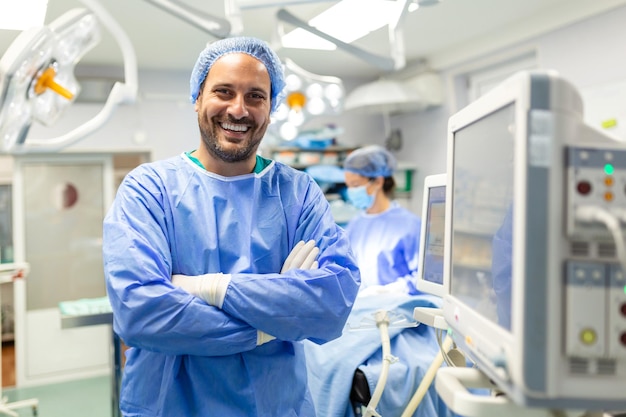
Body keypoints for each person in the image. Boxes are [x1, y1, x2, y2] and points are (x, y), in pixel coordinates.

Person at [102, 36, 360, 417]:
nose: (238, 109)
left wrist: (206, 287)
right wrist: (273, 321)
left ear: (270, 109)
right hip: (169, 404)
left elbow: (332, 303)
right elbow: (140, 311)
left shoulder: (298, 193)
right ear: (197, 99)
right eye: (223, 91)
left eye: (255, 96)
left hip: (276, 404)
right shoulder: (149, 189)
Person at [343, 145, 421, 295]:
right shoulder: (354, 225)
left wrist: (391, 290)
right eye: (348, 186)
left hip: (398, 310)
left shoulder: (410, 225)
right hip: (361, 309)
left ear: (378, 182)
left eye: (356, 185)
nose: (351, 191)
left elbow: (424, 278)